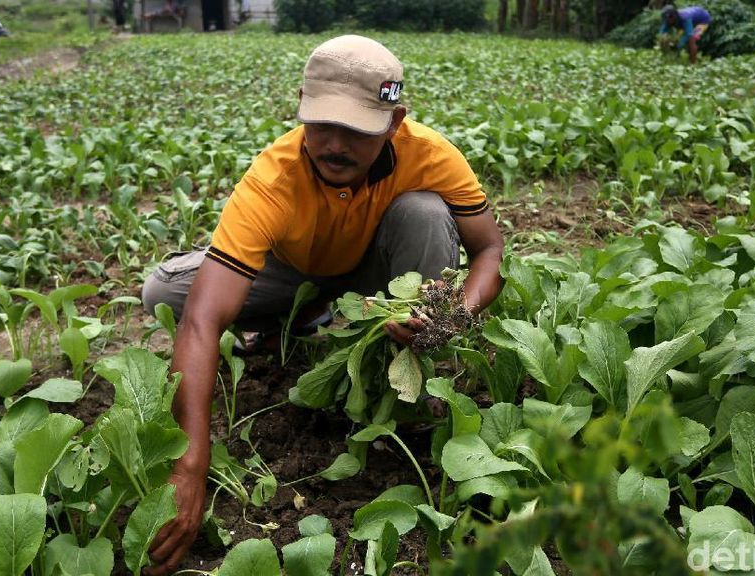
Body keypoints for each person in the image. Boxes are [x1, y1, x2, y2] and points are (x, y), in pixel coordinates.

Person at [139, 34, 505, 574]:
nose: (334, 144)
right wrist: (189, 462)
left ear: (395, 121)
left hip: (379, 271)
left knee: (426, 213)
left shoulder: (430, 155)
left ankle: (415, 373)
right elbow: (201, 319)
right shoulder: (275, 174)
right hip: (291, 272)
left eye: (356, 130)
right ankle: (309, 315)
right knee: (167, 292)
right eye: (321, 124)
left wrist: (452, 313)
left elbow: (489, 251)